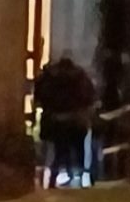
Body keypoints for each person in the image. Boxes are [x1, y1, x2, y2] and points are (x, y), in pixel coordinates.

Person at [35, 48, 98, 187]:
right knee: (79, 150)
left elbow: (39, 95)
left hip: (54, 119)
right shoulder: (80, 75)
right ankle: (83, 179)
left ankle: (52, 178)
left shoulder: (49, 75)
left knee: (57, 151)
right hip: (75, 119)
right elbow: (89, 96)